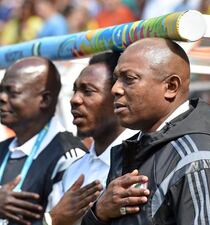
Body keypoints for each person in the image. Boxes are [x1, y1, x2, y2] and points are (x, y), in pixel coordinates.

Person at [82, 38, 210, 225]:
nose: (115, 89)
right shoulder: (140, 147)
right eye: (115, 79)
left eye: (129, 79)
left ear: (171, 87)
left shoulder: (199, 160)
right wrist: (99, 213)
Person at [0, 56, 86, 225]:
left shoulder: (68, 155)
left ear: (44, 99)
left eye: (12, 92)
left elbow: (62, 220)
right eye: (1, 90)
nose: (1, 97)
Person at [45, 52, 140, 225]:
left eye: (88, 91)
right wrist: (55, 218)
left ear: (118, 96)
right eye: (75, 90)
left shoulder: (140, 164)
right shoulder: (74, 171)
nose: (74, 100)